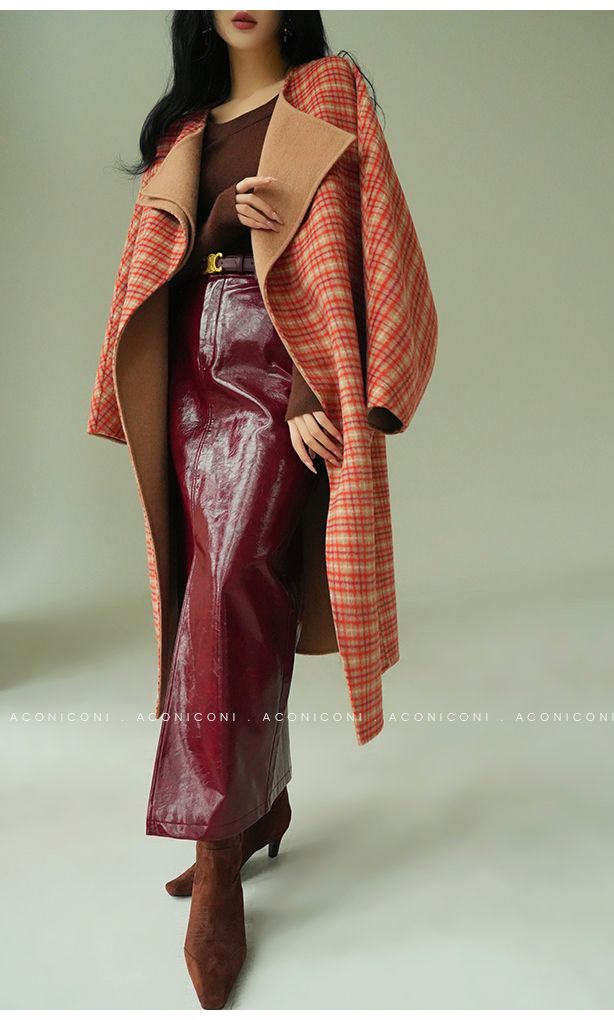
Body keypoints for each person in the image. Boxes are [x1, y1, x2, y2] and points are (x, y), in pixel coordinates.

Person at [88, 9, 437, 1009]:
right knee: (218, 590)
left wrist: (316, 384)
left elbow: (370, 244)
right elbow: (160, 266)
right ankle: (260, 802)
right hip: (189, 361)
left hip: (274, 359)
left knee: (233, 578)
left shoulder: (329, 92)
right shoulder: (182, 127)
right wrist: (211, 228)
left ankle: (215, 857)